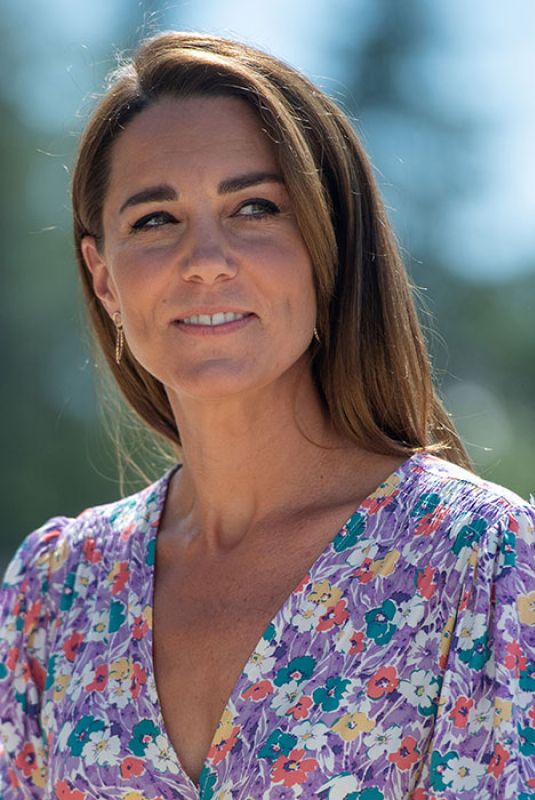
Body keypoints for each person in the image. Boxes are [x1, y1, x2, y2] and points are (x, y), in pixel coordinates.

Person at [0, 31, 533, 800]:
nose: (206, 259)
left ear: (328, 247)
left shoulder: (478, 566)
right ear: (104, 278)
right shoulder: (54, 592)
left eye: (254, 208)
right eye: (155, 219)